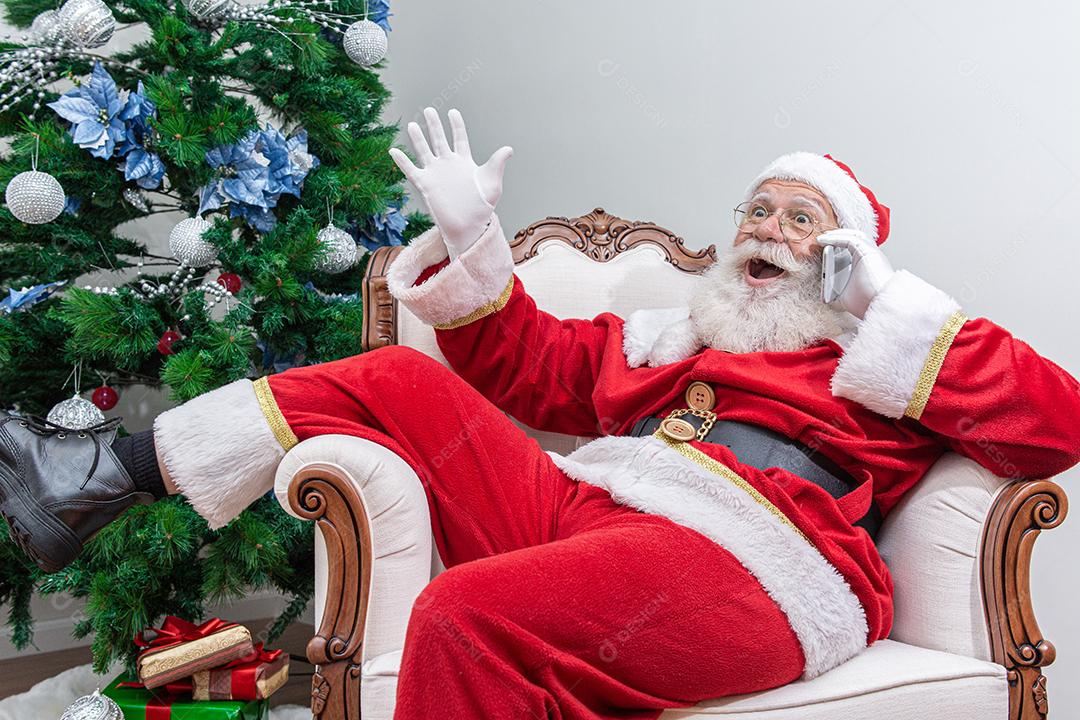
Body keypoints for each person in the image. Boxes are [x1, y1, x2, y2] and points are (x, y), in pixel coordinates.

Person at [2, 108, 1079, 720]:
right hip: (588, 513)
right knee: (401, 378)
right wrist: (476, 242)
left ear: (846, 257)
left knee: (463, 615)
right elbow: (521, 367)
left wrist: (885, 306)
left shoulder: (884, 363)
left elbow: (1055, 425)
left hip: (752, 568)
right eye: (757, 209)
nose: (767, 228)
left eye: (803, 220)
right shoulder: (668, 339)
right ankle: (96, 478)